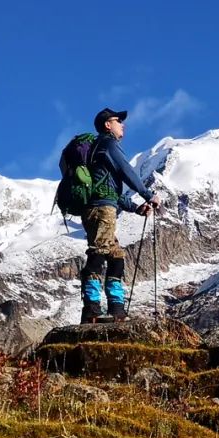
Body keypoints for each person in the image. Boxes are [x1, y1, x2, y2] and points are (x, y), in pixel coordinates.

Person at [80, 106, 163, 323]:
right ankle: (92, 309)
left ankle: (116, 309)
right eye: (118, 120)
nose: (122, 124)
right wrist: (148, 195)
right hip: (102, 211)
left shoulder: (99, 149)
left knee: (115, 257)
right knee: (99, 253)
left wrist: (135, 207)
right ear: (108, 125)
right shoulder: (107, 144)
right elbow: (127, 172)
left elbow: (109, 190)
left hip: (102, 208)